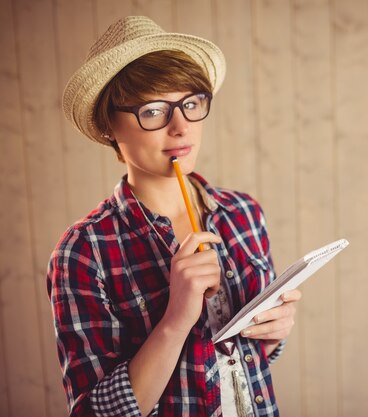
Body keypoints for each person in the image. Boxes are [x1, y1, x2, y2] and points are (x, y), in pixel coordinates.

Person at [47, 16, 300, 417]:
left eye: (190, 103)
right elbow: (92, 412)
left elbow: (246, 364)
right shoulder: (83, 251)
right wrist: (175, 320)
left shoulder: (244, 213)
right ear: (110, 126)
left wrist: (272, 334)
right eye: (153, 110)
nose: (181, 128)